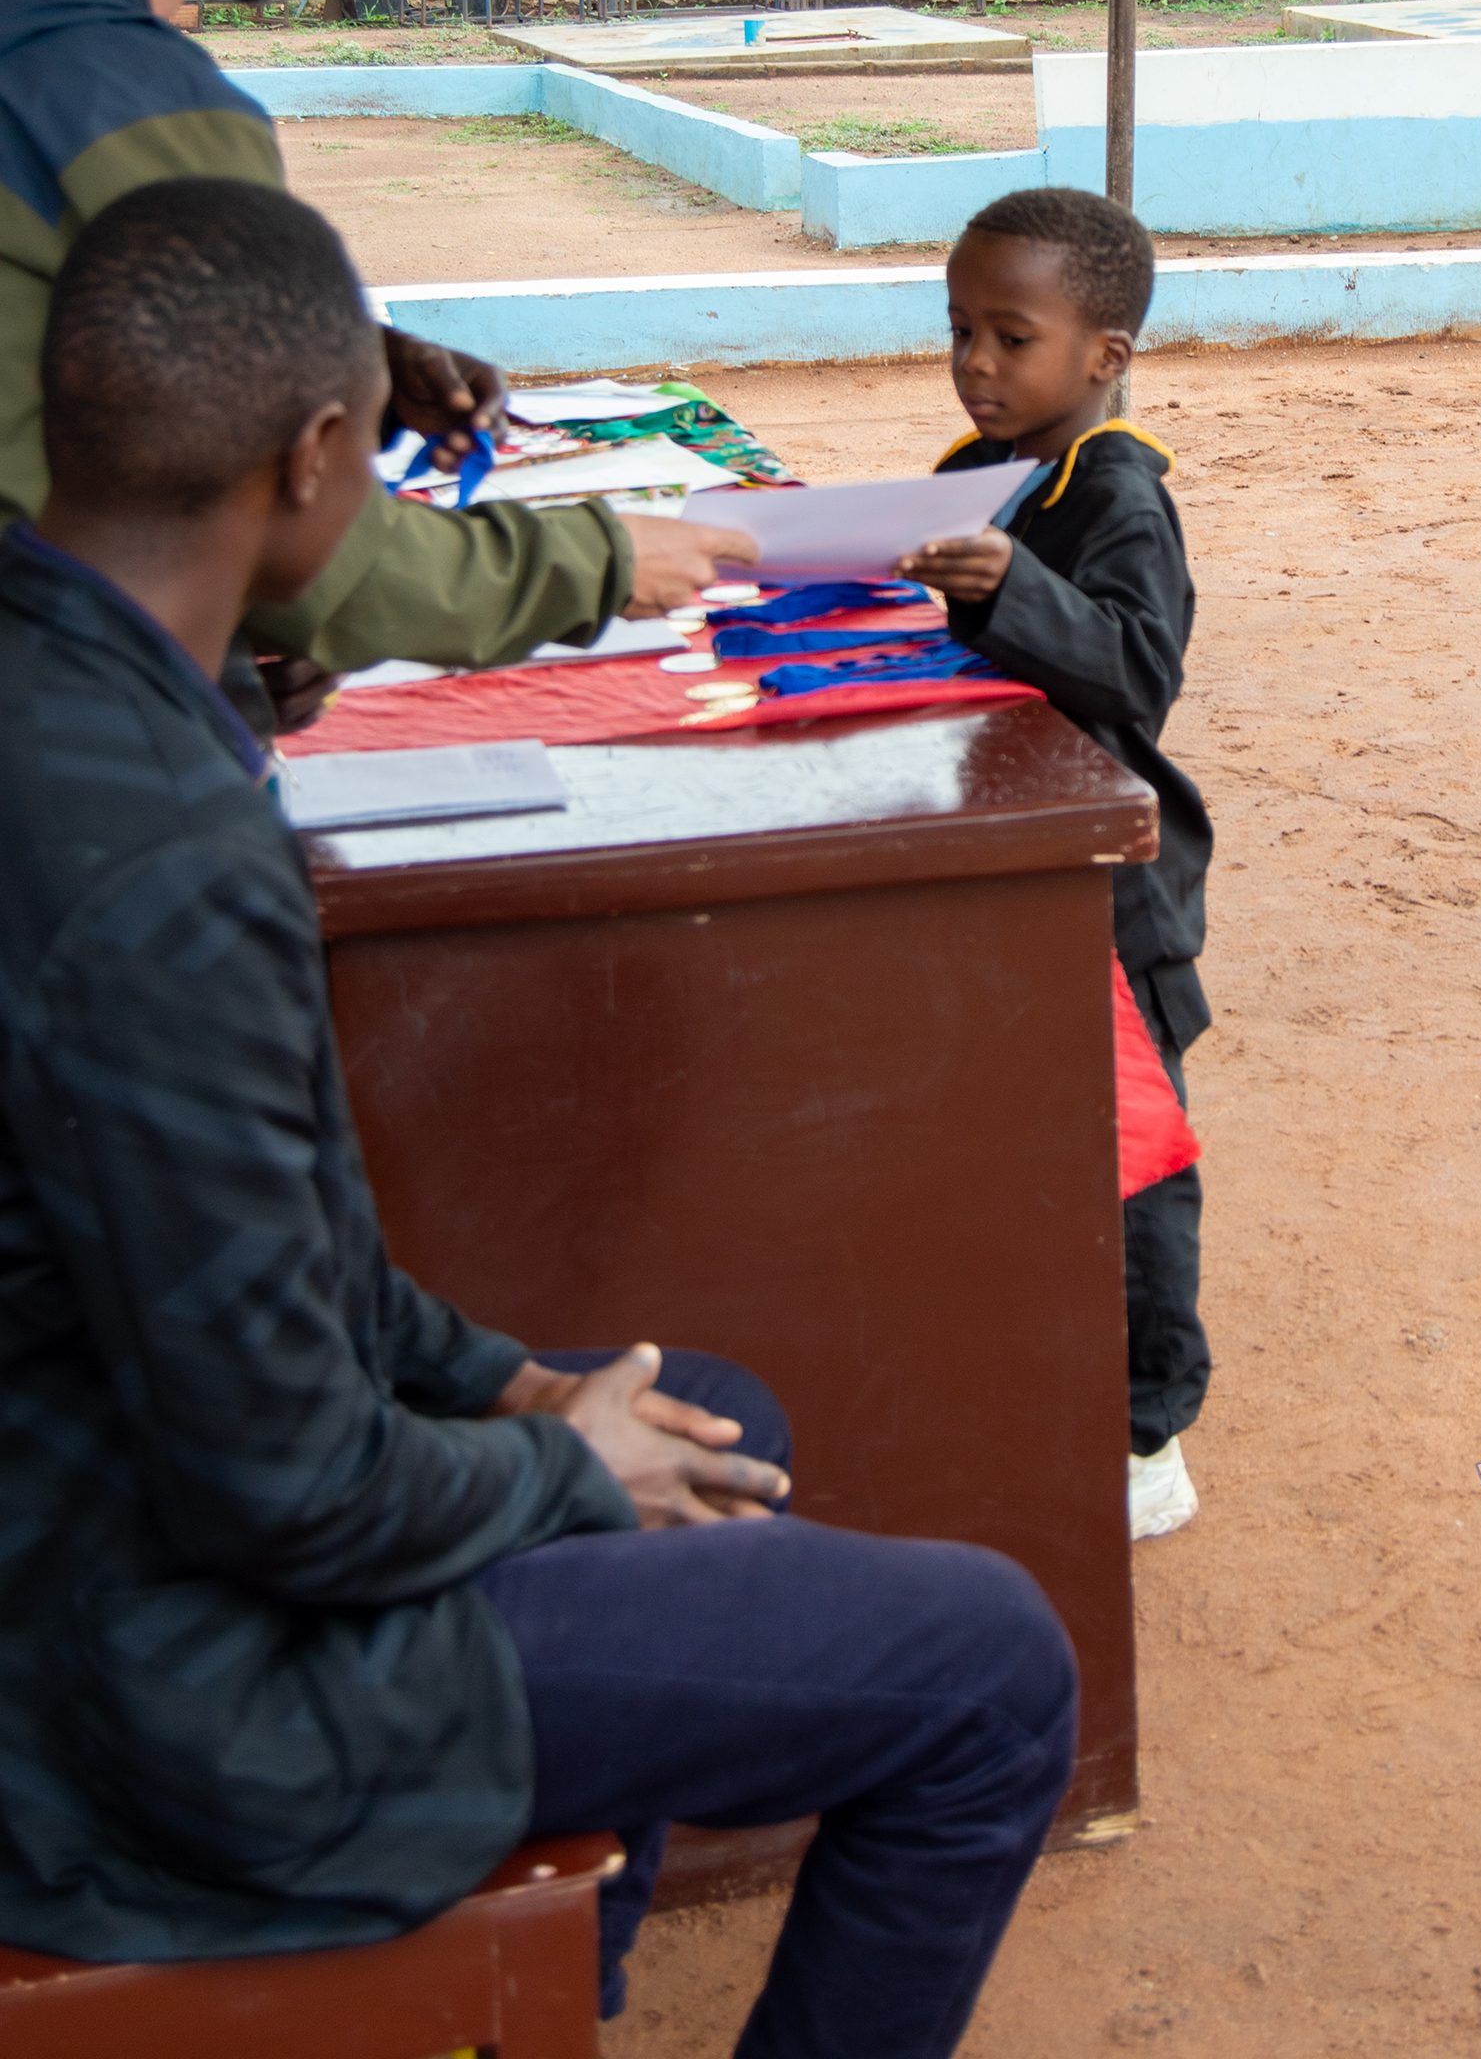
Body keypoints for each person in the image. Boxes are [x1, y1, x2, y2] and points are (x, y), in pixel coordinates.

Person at [0, 173, 1078, 2047]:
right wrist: (561, 1470)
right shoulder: (159, 861)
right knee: (992, 1668)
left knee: (708, 1412)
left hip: (95, 1504)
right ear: (318, 459)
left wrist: (505, 1384)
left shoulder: (70, 689)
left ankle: (553, 1997)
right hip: (163, 1690)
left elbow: (269, 1258)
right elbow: (288, 1489)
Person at [0, 0, 751, 693]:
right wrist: (606, 559)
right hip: (66, 706)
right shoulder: (142, 101)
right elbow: (311, 556)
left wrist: (350, 361)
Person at [899, 186, 1214, 1542]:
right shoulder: (992, 464)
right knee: (1034, 1125)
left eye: (1010, 338)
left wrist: (1007, 588)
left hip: (1109, 887)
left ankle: (1149, 1431)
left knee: (1131, 1153)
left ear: (1105, 354)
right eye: (958, 330)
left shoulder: (1121, 493)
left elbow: (1139, 674)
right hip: (1022, 855)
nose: (974, 363)